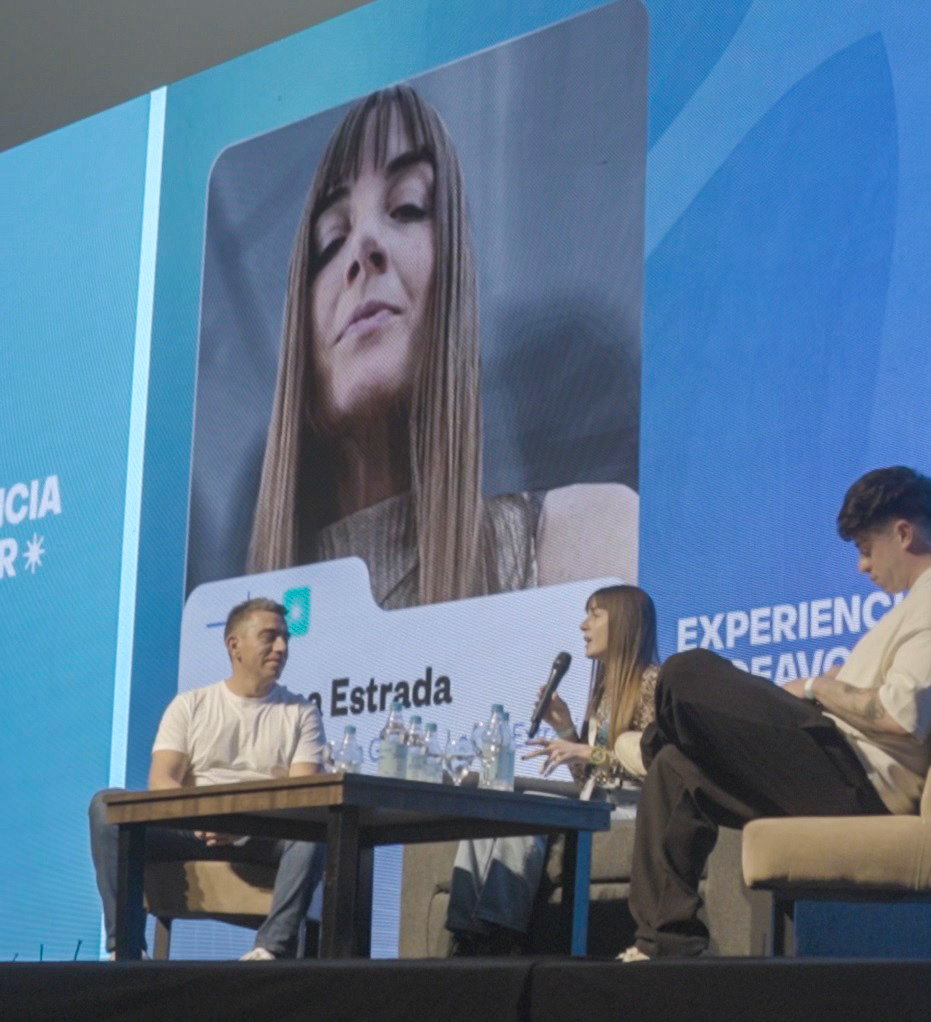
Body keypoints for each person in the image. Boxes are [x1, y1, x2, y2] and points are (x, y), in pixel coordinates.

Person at [247, 83, 636, 609]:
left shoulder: (587, 549)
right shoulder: (226, 629)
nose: (362, 247)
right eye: (331, 240)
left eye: (407, 207)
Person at [622, 467, 931, 960]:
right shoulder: (927, 604)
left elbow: (901, 715)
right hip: (839, 770)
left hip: (858, 784)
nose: (862, 566)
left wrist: (819, 686)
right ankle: (662, 946)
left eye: (866, 548)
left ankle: (649, 741)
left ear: (904, 533)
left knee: (685, 671)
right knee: (675, 769)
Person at [87, 598, 327, 960]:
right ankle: (126, 949)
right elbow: (162, 779)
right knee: (106, 806)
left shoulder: (302, 713)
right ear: (234, 645)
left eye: (285, 638)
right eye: (269, 637)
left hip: (262, 832)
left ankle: (270, 949)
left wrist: (244, 824)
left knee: (312, 834)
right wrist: (203, 818)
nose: (281, 647)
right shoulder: (191, 705)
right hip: (192, 828)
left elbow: (302, 798)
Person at [444, 585, 658, 955]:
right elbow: (590, 781)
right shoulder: (604, 693)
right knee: (499, 800)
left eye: (595, 615)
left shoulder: (653, 682)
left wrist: (588, 750)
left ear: (623, 624)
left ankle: (499, 934)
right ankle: (466, 931)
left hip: (636, 807)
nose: (583, 625)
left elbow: (660, 765)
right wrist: (566, 729)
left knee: (533, 806)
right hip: (601, 802)